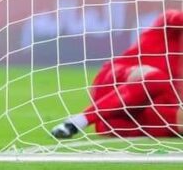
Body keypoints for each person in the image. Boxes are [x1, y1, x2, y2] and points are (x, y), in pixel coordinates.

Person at [52, 10, 183, 139]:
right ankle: (77, 121)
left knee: (177, 120)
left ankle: (108, 124)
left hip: (132, 108)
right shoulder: (170, 23)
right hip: (114, 82)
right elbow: (174, 18)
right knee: (155, 79)